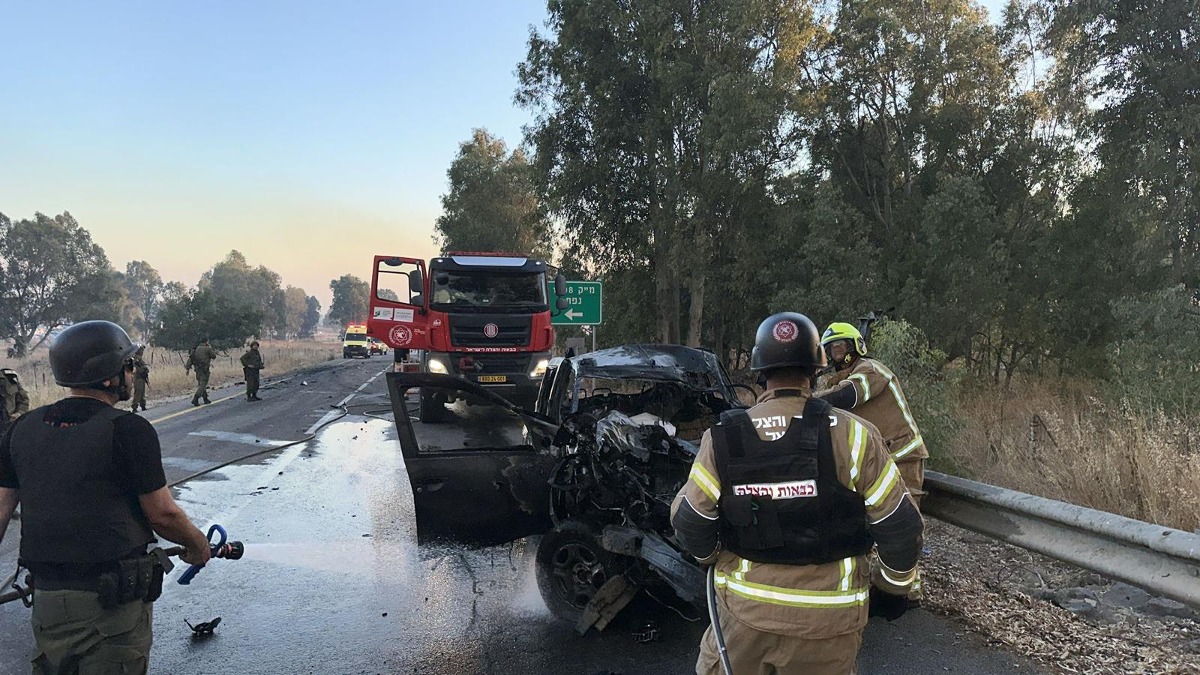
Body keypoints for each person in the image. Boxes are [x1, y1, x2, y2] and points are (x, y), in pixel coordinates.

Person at [671, 312, 924, 675]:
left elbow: (691, 520)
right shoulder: (855, 436)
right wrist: (891, 591)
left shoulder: (724, 436)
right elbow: (901, 528)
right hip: (830, 625)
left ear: (760, 372)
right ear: (816, 369)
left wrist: (710, 555)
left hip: (744, 618)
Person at [0, 320, 211, 674]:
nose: (132, 373)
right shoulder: (129, 429)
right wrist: (197, 545)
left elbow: (1, 510)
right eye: (128, 365)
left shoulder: (22, 429)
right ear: (109, 375)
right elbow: (163, 515)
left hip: (48, 605)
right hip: (110, 610)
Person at [813, 323, 928, 506]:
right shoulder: (841, 380)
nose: (838, 354)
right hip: (876, 459)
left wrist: (803, 401)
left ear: (855, 345)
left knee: (905, 516)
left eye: (841, 346)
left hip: (901, 456)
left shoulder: (871, 369)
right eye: (832, 349)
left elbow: (847, 395)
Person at [185, 339, 217, 406]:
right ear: (206, 342)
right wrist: (210, 348)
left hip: (197, 369)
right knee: (203, 385)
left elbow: (190, 359)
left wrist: (188, 368)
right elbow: (214, 356)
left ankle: (205, 399)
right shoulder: (207, 348)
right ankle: (195, 398)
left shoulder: (195, 349)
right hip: (204, 369)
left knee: (201, 384)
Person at [130, 346, 150, 413]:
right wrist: (144, 371)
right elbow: (138, 369)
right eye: (141, 350)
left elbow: (145, 368)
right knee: (138, 393)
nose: (142, 352)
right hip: (138, 378)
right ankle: (135, 407)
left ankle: (143, 405)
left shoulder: (140, 359)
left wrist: (146, 370)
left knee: (142, 393)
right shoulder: (136, 359)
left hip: (141, 378)